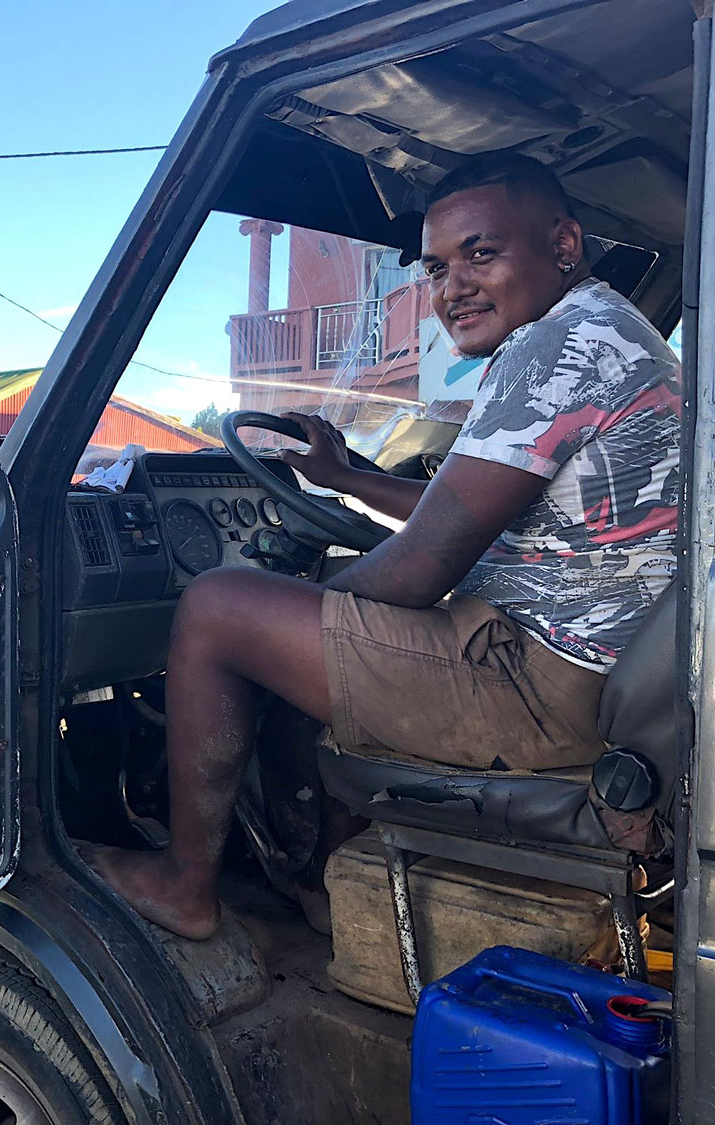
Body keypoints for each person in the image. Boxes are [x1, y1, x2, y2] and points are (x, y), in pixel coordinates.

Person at [85, 152, 682, 941]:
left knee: (219, 608)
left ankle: (184, 881)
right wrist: (346, 479)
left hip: (540, 686)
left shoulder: (557, 350)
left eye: (481, 253)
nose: (452, 287)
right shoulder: (602, 330)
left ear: (563, 245)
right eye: (437, 267)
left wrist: (305, 611)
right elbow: (467, 511)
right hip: (594, 668)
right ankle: (327, 877)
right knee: (319, 594)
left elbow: (425, 560)